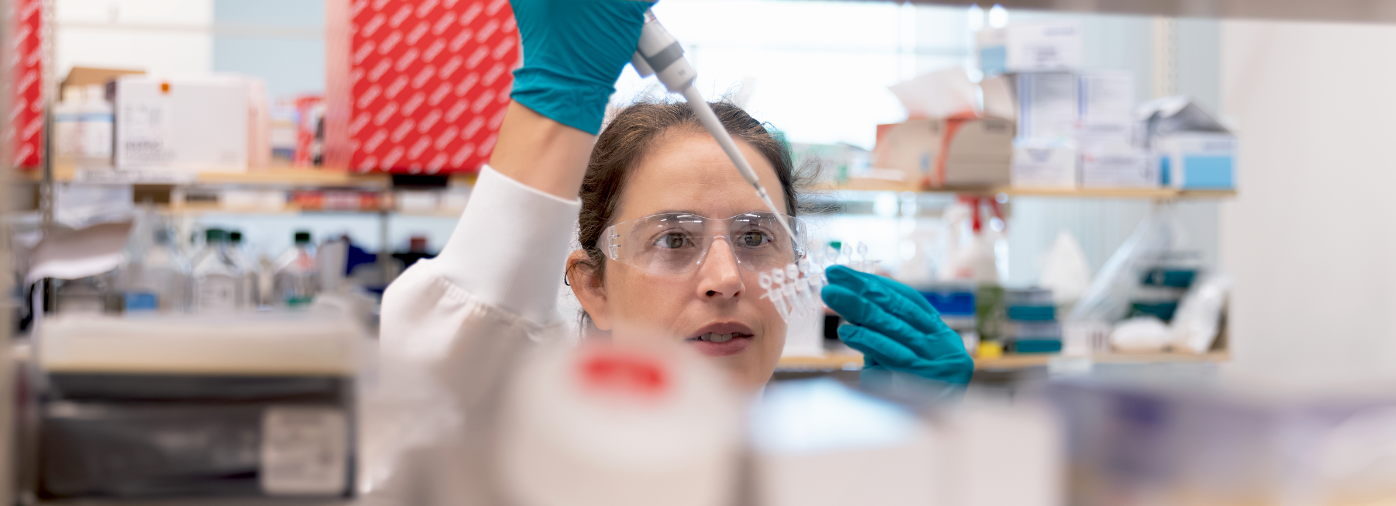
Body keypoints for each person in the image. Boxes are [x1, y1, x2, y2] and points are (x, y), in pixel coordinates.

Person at [381, 0, 973, 393]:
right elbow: (449, 365)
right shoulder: (539, 470)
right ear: (593, 287)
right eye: (673, 239)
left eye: (755, 237)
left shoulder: (825, 472)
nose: (726, 278)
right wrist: (560, 85)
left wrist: (918, 446)